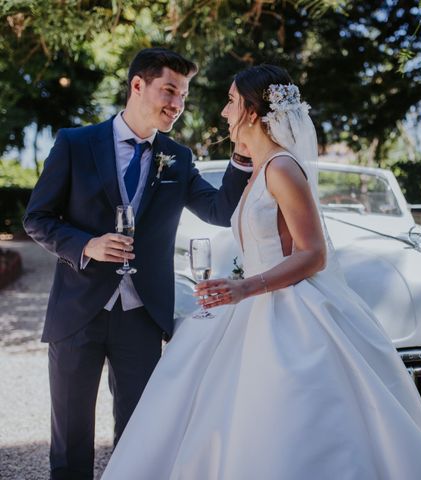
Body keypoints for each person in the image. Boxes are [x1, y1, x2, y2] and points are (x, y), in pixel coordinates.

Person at [101, 65, 421, 479]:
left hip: (289, 311)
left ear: (253, 112)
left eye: (232, 101)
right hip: (251, 305)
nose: (224, 112)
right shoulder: (260, 168)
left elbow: (313, 254)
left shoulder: (283, 168)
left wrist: (245, 287)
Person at [23, 48, 252, 480]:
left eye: (183, 96)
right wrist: (87, 244)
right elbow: (36, 218)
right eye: (169, 90)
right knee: (70, 437)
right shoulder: (75, 144)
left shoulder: (177, 158)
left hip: (142, 317)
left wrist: (242, 155)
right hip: (78, 312)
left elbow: (221, 211)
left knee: (139, 436)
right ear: (137, 85)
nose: (177, 105)